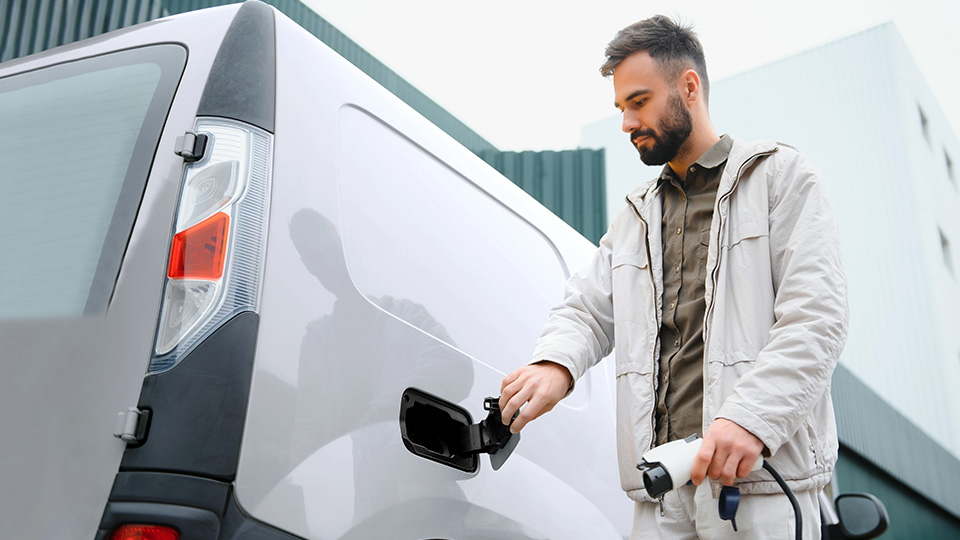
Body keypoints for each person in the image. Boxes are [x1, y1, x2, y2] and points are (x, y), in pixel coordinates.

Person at [498, 15, 847, 540]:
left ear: (689, 87)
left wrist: (750, 418)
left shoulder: (782, 178)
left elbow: (816, 318)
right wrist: (554, 364)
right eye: (620, 108)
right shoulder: (635, 216)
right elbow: (587, 310)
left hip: (758, 489)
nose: (625, 123)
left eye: (638, 102)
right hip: (661, 499)